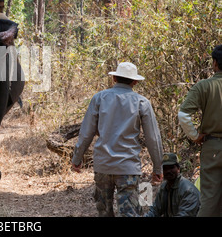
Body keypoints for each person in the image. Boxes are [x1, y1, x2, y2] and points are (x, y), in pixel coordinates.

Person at [71, 62, 164, 217]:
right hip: (128, 168)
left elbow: (86, 133)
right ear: (135, 81)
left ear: (114, 78)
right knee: (130, 213)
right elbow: (153, 138)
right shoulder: (142, 102)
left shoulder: (99, 98)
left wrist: (77, 157)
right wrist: (158, 168)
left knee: (104, 212)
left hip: (102, 166)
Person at [178, 44, 222, 217]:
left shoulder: (204, 86)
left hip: (212, 148)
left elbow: (183, 115)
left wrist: (195, 136)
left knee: (210, 199)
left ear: (215, 63)